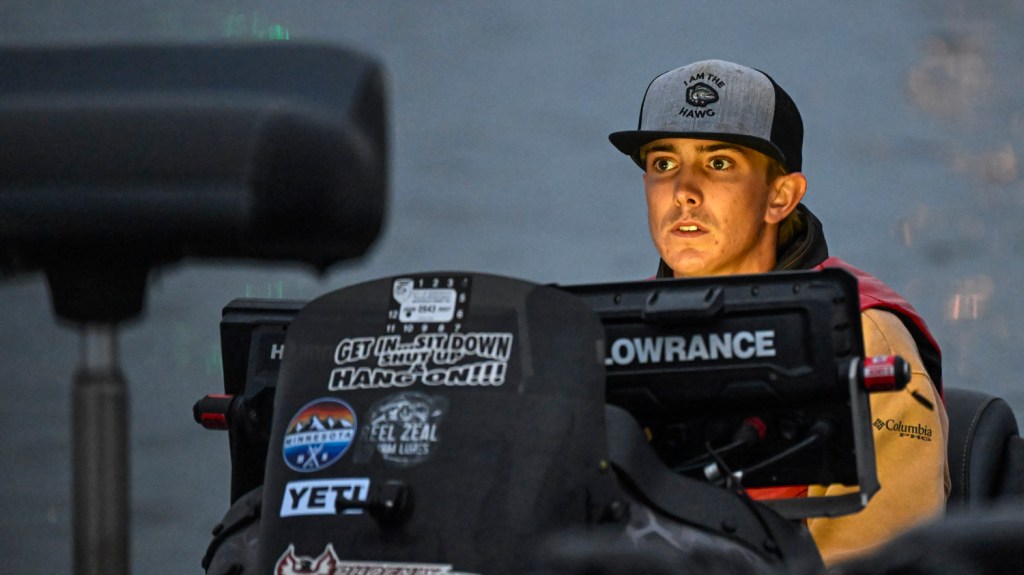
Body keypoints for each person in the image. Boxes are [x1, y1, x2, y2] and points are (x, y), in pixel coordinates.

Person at [608, 59, 950, 565]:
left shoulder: (861, 336)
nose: (683, 192)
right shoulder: (606, 333)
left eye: (718, 163)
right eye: (663, 164)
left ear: (780, 196)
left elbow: (879, 565)